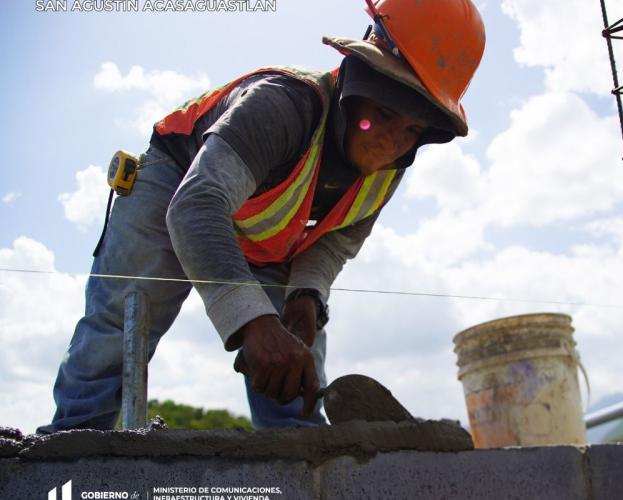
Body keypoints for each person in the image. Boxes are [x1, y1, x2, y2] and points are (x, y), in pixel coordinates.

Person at [37, 0, 485, 433]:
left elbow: (335, 241)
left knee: (290, 359)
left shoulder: (388, 168)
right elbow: (197, 206)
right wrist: (252, 323)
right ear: (357, 82)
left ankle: (297, 456)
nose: (390, 141)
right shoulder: (282, 105)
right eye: (383, 114)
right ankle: (67, 449)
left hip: (264, 235)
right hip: (180, 184)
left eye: (412, 130)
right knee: (125, 321)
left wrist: (306, 297)